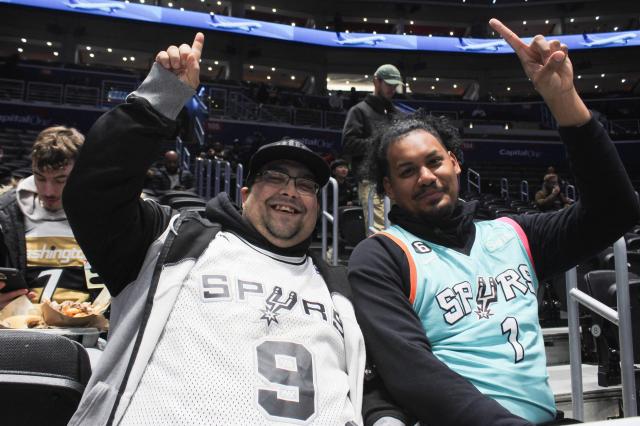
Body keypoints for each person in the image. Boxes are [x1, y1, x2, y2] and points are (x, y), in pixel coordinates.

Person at [63, 33, 403, 426]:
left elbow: (372, 382)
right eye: (275, 177)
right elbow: (94, 192)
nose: (290, 191)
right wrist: (159, 99)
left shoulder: (340, 285)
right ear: (244, 194)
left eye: (306, 185)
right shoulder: (173, 240)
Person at [347, 19, 640, 426]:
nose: (426, 177)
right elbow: (413, 375)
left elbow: (617, 210)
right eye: (407, 170)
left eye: (434, 161)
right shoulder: (380, 257)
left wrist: (563, 99)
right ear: (389, 188)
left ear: (455, 162)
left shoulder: (513, 233)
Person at [0, 126, 105, 309]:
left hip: (87, 333)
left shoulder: (107, 216)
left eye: (60, 180)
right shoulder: (5, 215)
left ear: (81, 174)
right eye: (40, 178)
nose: (49, 192)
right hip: (18, 332)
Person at [342, 64, 402, 232]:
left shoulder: (395, 114)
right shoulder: (359, 111)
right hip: (372, 180)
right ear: (376, 82)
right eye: (389, 84)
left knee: (401, 229)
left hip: (397, 180)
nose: (392, 89)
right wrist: (381, 143)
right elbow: (348, 144)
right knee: (381, 230)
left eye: (395, 85)